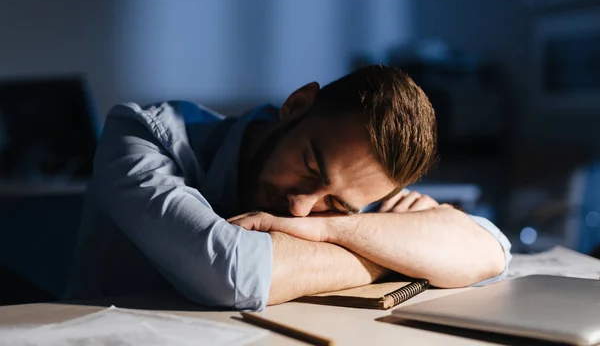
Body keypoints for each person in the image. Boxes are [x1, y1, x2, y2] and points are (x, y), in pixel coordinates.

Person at [66, 65, 511, 311]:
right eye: (310, 164)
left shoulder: (354, 203)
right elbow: (234, 273)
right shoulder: (143, 135)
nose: (300, 209)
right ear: (296, 106)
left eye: (336, 203)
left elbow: (490, 249)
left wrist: (332, 231)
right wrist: (396, 258)